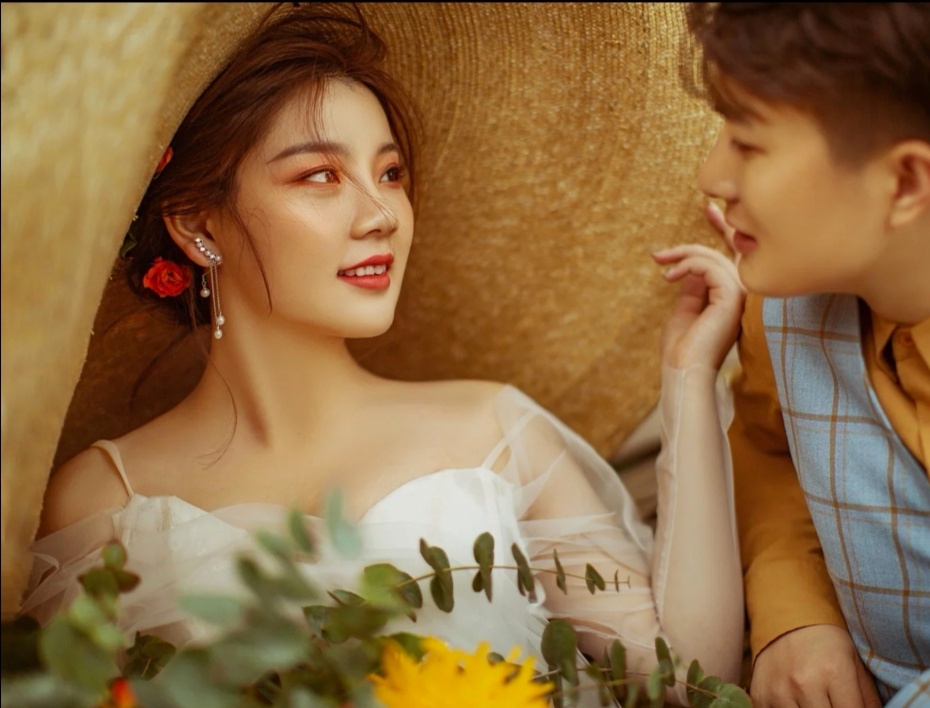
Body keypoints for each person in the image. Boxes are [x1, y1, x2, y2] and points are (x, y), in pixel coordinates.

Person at [18, 3, 745, 704]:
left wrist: (688, 378)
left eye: (390, 173)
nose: (381, 215)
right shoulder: (104, 501)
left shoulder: (492, 432)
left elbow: (689, 680)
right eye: (320, 175)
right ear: (195, 224)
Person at [678, 2, 930, 706]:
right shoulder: (783, 309)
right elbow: (773, 451)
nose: (712, 175)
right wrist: (796, 614)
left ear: (906, 183)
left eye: (747, 143)